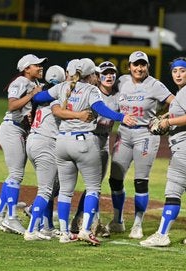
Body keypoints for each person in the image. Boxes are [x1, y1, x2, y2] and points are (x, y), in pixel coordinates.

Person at [32, 58, 136, 245]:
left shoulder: (63, 86)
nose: (98, 76)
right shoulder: (91, 89)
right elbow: (100, 109)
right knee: (93, 188)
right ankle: (86, 230)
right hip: (83, 142)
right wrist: (122, 117)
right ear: (90, 75)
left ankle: (64, 233)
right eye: (96, 74)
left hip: (62, 142)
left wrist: (40, 92)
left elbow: (39, 98)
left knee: (65, 191)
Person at [140, 57, 186, 247]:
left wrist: (168, 122)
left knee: (173, 191)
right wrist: (167, 116)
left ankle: (162, 235)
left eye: (182, 70)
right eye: (175, 71)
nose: (178, 74)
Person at [106, 51, 174, 239]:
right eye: (136, 64)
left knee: (140, 181)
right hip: (124, 133)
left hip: (146, 134)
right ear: (129, 67)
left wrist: (163, 116)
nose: (139, 68)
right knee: (115, 180)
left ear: (148, 67)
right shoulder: (122, 81)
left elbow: (174, 102)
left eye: (143, 64)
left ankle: (137, 224)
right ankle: (118, 220)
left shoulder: (154, 85)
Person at [24, 65, 93, 241]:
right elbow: (59, 111)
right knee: (47, 189)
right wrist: (79, 115)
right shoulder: (59, 93)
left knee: (52, 185)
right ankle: (32, 229)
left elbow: (39, 98)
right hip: (46, 142)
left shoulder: (46, 93)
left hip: (34, 140)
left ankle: (47, 226)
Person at [0, 54, 46, 235]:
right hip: (11, 129)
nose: (41, 67)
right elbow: (12, 106)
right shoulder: (20, 81)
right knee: (16, 174)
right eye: (37, 65)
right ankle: (10, 218)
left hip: (19, 130)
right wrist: (32, 95)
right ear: (27, 68)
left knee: (15, 174)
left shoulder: (34, 84)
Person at [69, 61, 120, 238]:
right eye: (105, 73)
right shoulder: (90, 91)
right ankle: (41, 214)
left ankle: (84, 222)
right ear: (97, 76)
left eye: (112, 73)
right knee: (65, 182)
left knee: (95, 185)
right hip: (85, 139)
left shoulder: (117, 96)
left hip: (103, 141)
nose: (109, 76)